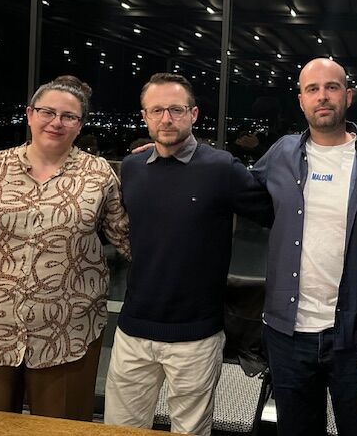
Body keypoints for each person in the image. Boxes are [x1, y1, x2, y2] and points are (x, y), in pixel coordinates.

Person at [0, 75, 130, 421]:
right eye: (47, 112)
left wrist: (159, 164)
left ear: (80, 125)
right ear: (30, 115)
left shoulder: (99, 174)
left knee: (63, 429)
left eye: (69, 116)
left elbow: (127, 238)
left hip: (68, 331)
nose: (56, 122)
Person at [104, 73, 271, 435]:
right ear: (145, 117)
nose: (166, 119)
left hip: (196, 336)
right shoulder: (132, 167)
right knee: (119, 430)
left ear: (193, 114)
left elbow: (276, 211)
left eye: (176, 110)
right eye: (157, 110)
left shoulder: (221, 168)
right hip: (133, 332)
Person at [250, 58, 357, 436]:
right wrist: (172, 152)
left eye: (332, 87)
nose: (322, 96)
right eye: (312, 89)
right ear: (301, 100)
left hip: (354, 339)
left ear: (348, 96)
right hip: (287, 336)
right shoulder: (281, 153)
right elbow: (236, 188)